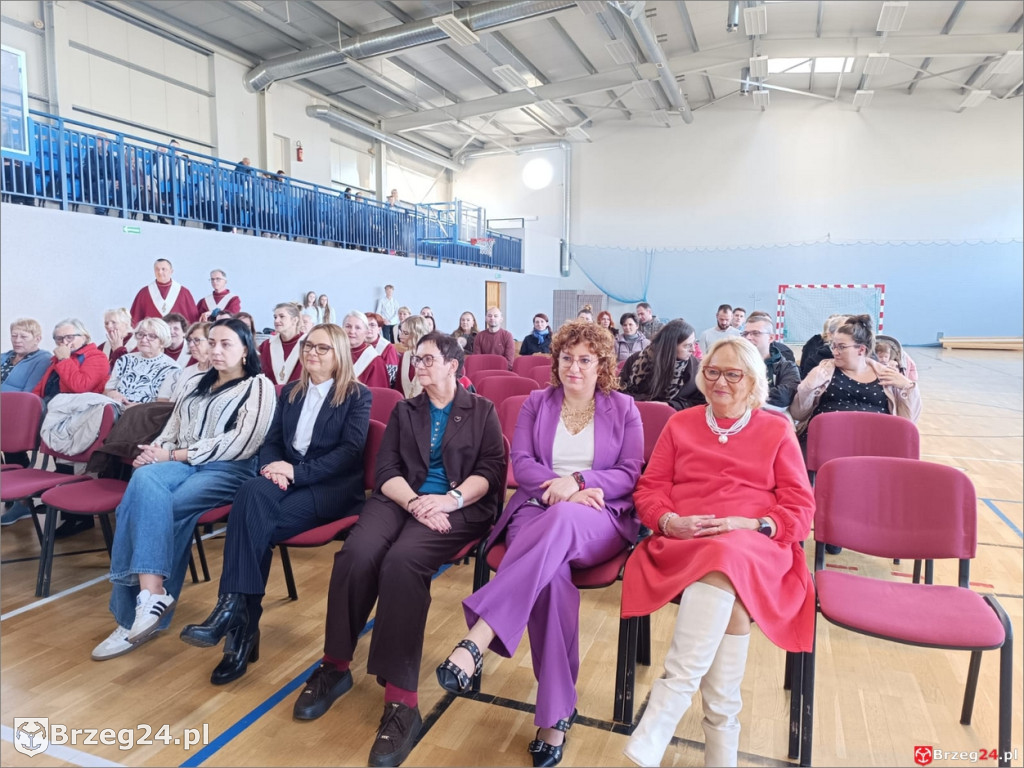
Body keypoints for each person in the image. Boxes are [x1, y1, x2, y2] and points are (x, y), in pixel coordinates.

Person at [291, 332, 505, 768]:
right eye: (415, 360)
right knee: (357, 553)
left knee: (402, 563)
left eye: (426, 359)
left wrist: (448, 501)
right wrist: (414, 503)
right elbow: (386, 470)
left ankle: (402, 700)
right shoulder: (406, 411)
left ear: (452, 365)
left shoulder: (482, 410)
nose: (417, 366)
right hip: (401, 500)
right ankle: (335, 665)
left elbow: (491, 470)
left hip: (458, 506)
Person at [438, 320, 643, 767]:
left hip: (599, 515)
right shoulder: (536, 403)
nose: (574, 367)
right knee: (551, 582)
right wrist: (559, 488)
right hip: (536, 509)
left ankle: (481, 634)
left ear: (602, 364)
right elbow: (523, 462)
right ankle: (555, 715)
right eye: (567, 358)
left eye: (585, 359)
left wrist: (578, 482)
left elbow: (630, 473)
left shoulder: (624, 408)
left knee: (565, 520)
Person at [621, 336, 816, 768]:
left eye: (732, 374)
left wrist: (755, 524)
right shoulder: (680, 424)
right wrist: (670, 521)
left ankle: (667, 706)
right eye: (712, 371)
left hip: (756, 545)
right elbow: (650, 490)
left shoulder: (776, 429)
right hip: (685, 541)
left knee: (726, 557)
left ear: (753, 382)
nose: (720, 382)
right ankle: (720, 745)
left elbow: (801, 509)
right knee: (729, 592)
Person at [180, 324, 371, 684]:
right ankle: (235, 617)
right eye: (308, 346)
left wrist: (295, 472)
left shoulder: (356, 395)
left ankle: (237, 627)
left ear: (340, 354)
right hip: (285, 480)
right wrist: (272, 468)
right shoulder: (292, 392)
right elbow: (272, 442)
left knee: (253, 523)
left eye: (322, 348)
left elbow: (349, 453)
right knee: (250, 492)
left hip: (329, 490)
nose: (312, 352)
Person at [91, 318, 276, 661]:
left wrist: (175, 455)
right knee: (143, 480)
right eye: (211, 342)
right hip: (180, 461)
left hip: (228, 468)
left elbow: (243, 443)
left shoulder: (259, 386)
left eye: (226, 344)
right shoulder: (195, 382)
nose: (216, 350)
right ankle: (151, 596)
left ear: (246, 350)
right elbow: (172, 430)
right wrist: (154, 454)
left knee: (156, 506)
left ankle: (130, 619)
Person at [790, 314, 921, 435]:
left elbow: (908, 423)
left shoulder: (887, 375)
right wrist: (807, 387)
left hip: (874, 439)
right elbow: (798, 414)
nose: (835, 352)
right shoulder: (823, 371)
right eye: (833, 346)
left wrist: (909, 388)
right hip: (828, 436)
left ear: (861, 350)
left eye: (841, 347)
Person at [620, 320, 705, 411]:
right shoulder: (636, 360)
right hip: (636, 412)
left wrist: (669, 405)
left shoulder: (696, 368)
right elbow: (620, 391)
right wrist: (646, 403)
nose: (693, 350)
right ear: (671, 346)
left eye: (694, 343)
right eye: (687, 346)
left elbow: (700, 402)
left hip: (675, 416)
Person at [104, 318, 177, 408]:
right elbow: (106, 391)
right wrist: (112, 393)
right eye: (140, 334)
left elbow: (163, 405)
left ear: (162, 341)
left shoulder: (171, 368)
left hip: (145, 413)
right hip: (115, 408)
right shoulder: (125, 360)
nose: (144, 339)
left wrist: (138, 407)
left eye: (151, 336)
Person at [32, 319, 109, 402]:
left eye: (69, 337)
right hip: (48, 404)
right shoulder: (57, 359)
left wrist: (64, 359)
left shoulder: (97, 357)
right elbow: (39, 389)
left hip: (74, 406)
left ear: (84, 337)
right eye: (59, 339)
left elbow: (81, 387)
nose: (64, 342)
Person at [739, 314, 800, 410]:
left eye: (755, 333)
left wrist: (743, 394)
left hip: (773, 415)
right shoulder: (734, 364)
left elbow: (784, 397)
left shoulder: (787, 367)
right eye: (745, 334)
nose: (748, 337)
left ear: (771, 338)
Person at [129, 259, 198, 325]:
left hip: (175, 332)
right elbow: (135, 320)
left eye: (163, 269)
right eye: (157, 269)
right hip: (153, 332)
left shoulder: (184, 293)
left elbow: (192, 320)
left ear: (171, 271)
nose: (160, 272)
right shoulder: (144, 293)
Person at [158, 322, 212, 402]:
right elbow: (173, 401)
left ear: (211, 342)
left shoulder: (220, 373)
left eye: (196, 340)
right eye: (190, 340)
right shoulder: (186, 372)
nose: (191, 345)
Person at [258, 303, 306, 386]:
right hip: (270, 392)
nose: (276, 321)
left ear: (294, 320)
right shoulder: (266, 345)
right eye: (275, 317)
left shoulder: (308, 344)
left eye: (282, 316)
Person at [341, 311, 390, 388]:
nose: (352, 331)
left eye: (358, 327)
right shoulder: (335, 352)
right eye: (348, 326)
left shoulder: (375, 361)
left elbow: (378, 393)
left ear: (366, 332)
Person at [1, 318, 50, 393]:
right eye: (14, 336)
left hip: (13, 399)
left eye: (23, 337)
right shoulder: (4, 356)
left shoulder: (43, 359)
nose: (17, 340)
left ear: (37, 339)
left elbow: (29, 393)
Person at [799, 314, 847, 380]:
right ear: (830, 335)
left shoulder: (857, 359)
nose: (848, 336)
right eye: (843, 332)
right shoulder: (815, 360)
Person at [393, 316, 431, 398]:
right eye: (401, 332)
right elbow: (398, 387)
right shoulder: (405, 356)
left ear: (417, 335)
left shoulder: (432, 359)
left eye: (406, 333)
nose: (400, 336)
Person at [366, 311, 400, 385]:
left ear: (379, 329)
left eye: (372, 325)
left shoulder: (388, 348)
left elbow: (391, 376)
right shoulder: (356, 346)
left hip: (379, 386)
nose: (368, 328)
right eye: (365, 325)